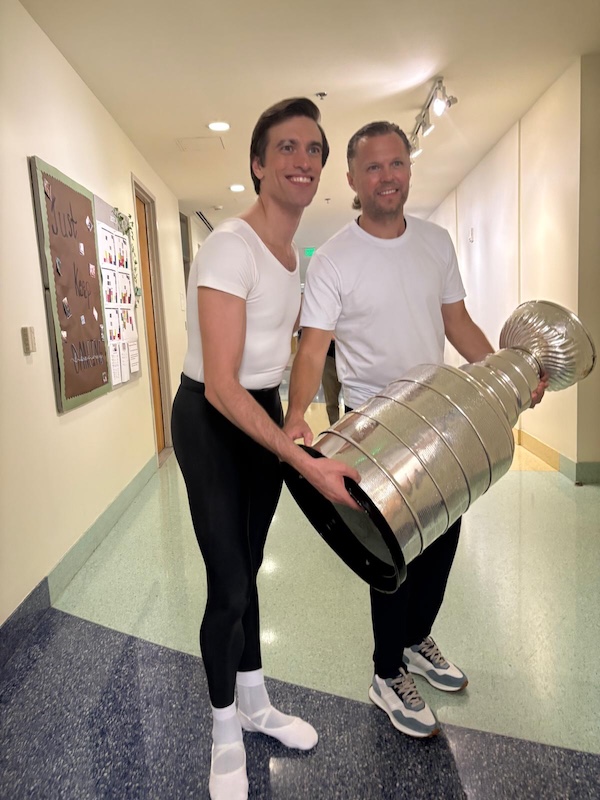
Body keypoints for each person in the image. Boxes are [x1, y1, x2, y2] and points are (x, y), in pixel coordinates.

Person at [284, 121, 548, 739]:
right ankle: (385, 673)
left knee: (444, 541)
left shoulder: (435, 243)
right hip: (375, 428)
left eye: (396, 164)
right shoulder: (333, 261)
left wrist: (506, 379)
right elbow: (311, 345)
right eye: (373, 167)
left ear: (409, 169)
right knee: (395, 551)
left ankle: (415, 640)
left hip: (443, 418)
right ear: (351, 178)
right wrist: (297, 414)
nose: (387, 177)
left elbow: (458, 323)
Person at [171, 98, 359, 800]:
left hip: (262, 410)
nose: (302, 160)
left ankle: (255, 703)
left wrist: (297, 420)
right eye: (286, 147)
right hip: (212, 419)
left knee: (248, 570)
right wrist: (297, 455)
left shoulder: (289, 256)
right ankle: (224, 731)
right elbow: (221, 385)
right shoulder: (232, 245)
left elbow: (280, 359)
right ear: (257, 164)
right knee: (227, 583)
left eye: (312, 149)